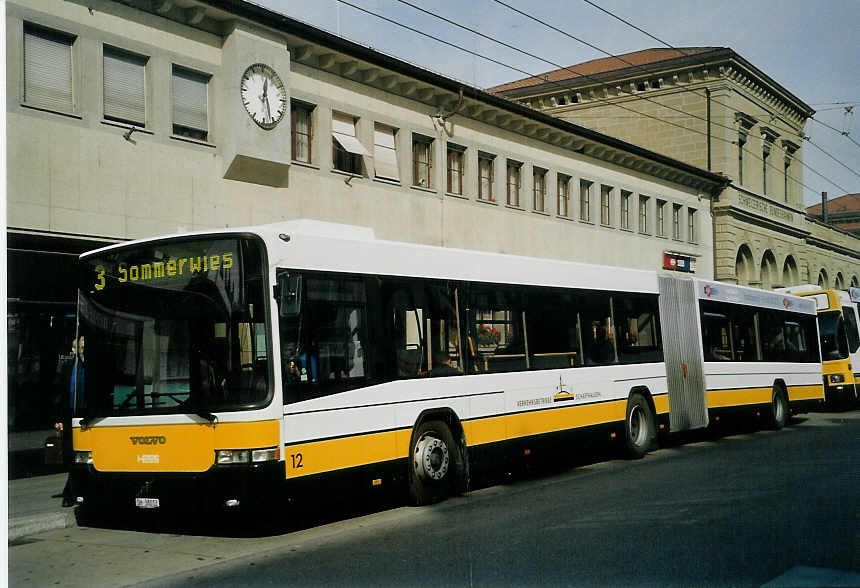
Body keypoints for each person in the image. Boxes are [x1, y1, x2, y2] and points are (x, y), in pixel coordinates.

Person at [57, 336, 84, 507]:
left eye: (85, 347)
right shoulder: (68, 368)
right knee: (71, 455)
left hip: (86, 417)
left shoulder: (91, 368)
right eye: (81, 347)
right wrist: (58, 419)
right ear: (74, 350)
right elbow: (60, 394)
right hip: (69, 417)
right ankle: (71, 490)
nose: (83, 350)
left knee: (81, 455)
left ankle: (69, 492)